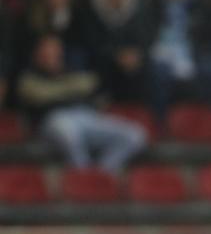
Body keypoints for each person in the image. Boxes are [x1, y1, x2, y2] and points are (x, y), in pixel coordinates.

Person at [17, 34, 146, 173]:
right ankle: (82, 173)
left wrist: (59, 89)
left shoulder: (72, 70)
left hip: (85, 115)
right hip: (52, 120)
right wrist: (70, 88)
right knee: (67, 131)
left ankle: (101, 173)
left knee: (135, 135)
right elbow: (39, 95)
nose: (51, 53)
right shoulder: (28, 76)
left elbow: (95, 86)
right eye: (47, 49)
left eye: (55, 49)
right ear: (37, 52)